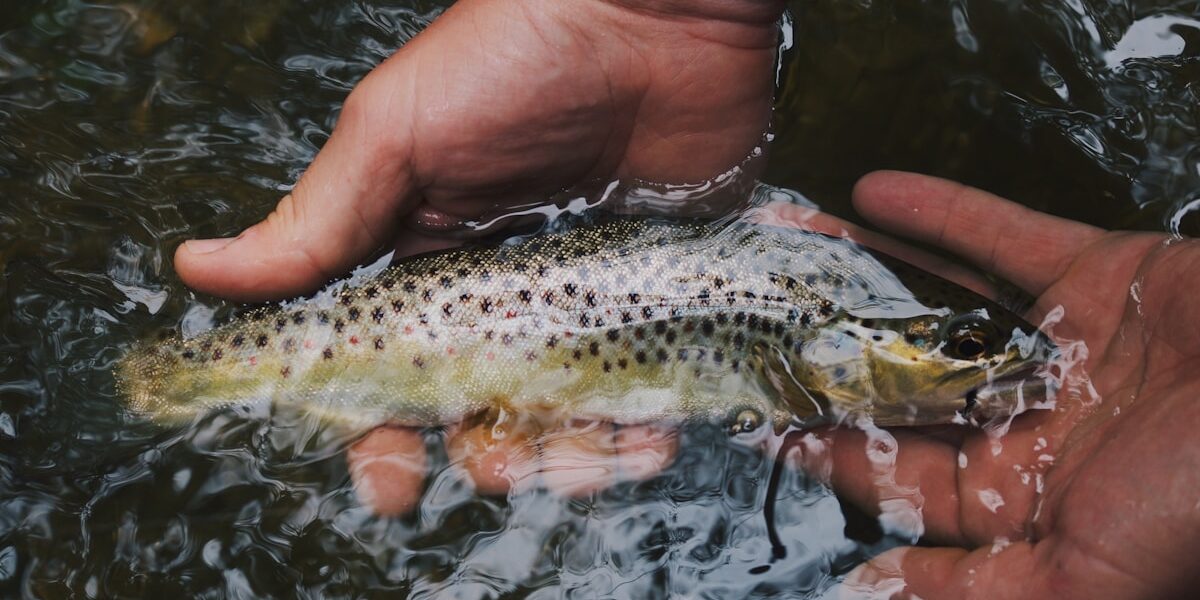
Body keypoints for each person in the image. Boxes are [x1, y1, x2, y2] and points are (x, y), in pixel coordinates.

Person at [171, 1, 1200, 597]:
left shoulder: (815, 329)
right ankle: (178, 385)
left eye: (971, 350)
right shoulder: (820, 329)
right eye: (966, 346)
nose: (998, 361)